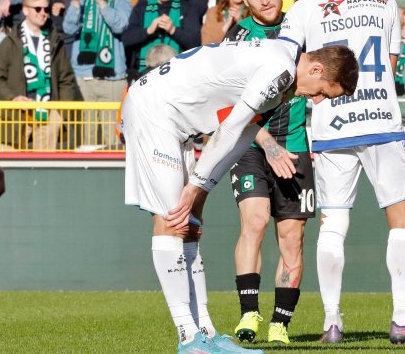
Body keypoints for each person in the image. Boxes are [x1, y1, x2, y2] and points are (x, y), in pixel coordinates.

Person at [122, 34, 358, 353]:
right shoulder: (282, 70)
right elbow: (231, 127)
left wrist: (201, 189)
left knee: (188, 225)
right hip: (155, 110)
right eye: (325, 93)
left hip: (175, 121)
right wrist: (195, 185)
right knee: (171, 221)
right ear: (316, 69)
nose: (317, 100)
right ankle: (189, 338)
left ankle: (205, 332)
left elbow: (245, 132)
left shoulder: (284, 69)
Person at [279, 0, 405, 345]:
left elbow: (283, 62)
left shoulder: (303, 7)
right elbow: (390, 67)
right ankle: (404, 319)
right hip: (379, 120)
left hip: (329, 123)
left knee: (334, 222)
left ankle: (332, 323)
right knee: (403, 217)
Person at [224, 0, 312, 346]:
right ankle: (248, 314)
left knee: (291, 238)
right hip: (250, 142)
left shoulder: (302, 29)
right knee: (255, 221)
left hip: (295, 145)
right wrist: (267, 142)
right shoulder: (237, 37)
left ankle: (280, 324)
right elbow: (226, 104)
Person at [0, 0, 76, 150]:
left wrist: (61, 112)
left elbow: (66, 79)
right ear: (25, 10)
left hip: (47, 113)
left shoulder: (55, 41)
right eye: (38, 9)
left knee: (45, 168)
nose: (43, 13)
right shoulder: (10, 41)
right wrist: (12, 98)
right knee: (13, 169)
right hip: (17, 115)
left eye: (46, 9)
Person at [63, 0, 131, 147]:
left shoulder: (122, 1)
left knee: (113, 139)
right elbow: (68, 28)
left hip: (113, 79)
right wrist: (75, 4)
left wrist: (102, 3)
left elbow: (120, 26)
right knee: (87, 138)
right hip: (84, 77)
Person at [122, 0, 200, 74]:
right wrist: (148, 30)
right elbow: (126, 39)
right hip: (145, 72)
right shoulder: (141, 8)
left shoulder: (187, 8)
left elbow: (195, 43)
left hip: (177, 72)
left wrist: (173, 30)